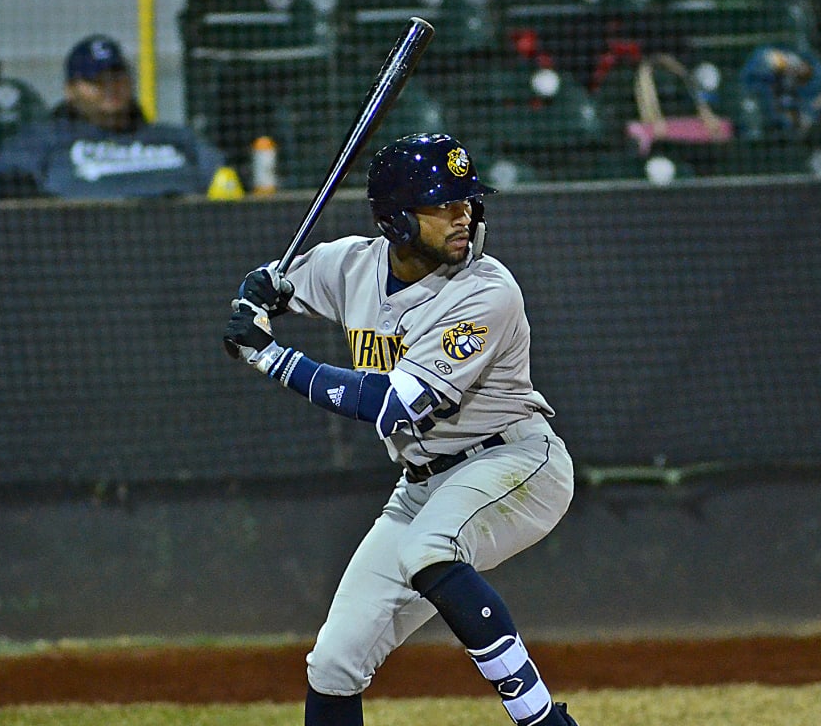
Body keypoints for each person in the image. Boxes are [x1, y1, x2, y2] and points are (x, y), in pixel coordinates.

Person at [221, 133, 579, 726]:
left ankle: (541, 721)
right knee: (334, 662)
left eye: (466, 201)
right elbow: (279, 285)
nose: (463, 215)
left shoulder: (486, 291)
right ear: (395, 219)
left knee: (429, 549)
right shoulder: (353, 264)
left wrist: (269, 356)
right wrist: (259, 294)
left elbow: (394, 403)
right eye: (442, 204)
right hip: (421, 486)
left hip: (513, 464)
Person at [0, 34, 224, 199]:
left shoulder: (177, 138)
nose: (110, 87)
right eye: (95, 80)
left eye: (117, 77)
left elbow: (227, 182)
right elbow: (5, 189)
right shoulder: (42, 140)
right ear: (70, 90)